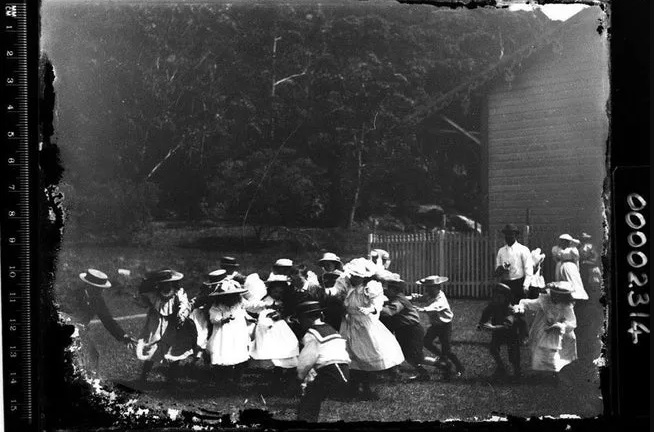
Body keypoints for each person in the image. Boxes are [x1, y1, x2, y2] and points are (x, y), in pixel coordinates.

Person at [339, 258, 405, 400]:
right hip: (349, 324)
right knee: (351, 357)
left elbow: (377, 303)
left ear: (364, 277)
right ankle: (353, 388)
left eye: (358, 276)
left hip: (365, 326)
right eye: (353, 275)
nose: (354, 278)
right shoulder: (350, 288)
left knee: (366, 355)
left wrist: (370, 308)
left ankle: (367, 388)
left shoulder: (370, 287)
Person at [67, 269, 136, 374]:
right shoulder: (73, 295)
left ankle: (89, 382)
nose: (101, 291)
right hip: (65, 329)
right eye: (98, 289)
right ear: (89, 286)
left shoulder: (98, 300)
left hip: (81, 332)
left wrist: (124, 336)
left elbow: (108, 320)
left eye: (101, 289)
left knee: (92, 355)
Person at [135, 269, 196, 384]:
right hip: (156, 322)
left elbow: (184, 304)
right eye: (164, 282)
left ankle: (171, 379)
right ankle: (143, 376)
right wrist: (142, 289)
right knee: (152, 346)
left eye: (170, 282)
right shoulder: (155, 294)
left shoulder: (178, 292)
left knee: (173, 348)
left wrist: (181, 314)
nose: (167, 284)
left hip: (172, 324)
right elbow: (143, 302)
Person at [295, 301, 351, 423]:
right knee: (312, 394)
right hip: (344, 371)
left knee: (309, 399)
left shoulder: (311, 334)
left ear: (306, 319)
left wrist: (300, 376)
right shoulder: (332, 330)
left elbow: (307, 360)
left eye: (301, 320)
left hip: (331, 371)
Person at [513, 282, 578, 383]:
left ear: (565, 297)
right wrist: (521, 306)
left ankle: (555, 373)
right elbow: (529, 303)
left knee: (554, 352)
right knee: (540, 350)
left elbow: (572, 321)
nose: (555, 297)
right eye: (553, 294)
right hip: (544, 328)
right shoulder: (545, 300)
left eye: (558, 295)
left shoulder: (566, 306)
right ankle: (541, 371)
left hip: (558, 332)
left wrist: (562, 325)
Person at [248, 274, 300, 393]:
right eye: (275, 291)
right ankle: (275, 380)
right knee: (273, 353)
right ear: (270, 290)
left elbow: (288, 313)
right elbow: (257, 311)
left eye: (280, 292)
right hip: (268, 329)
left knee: (287, 349)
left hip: (281, 329)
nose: (277, 294)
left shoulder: (284, 302)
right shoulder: (266, 301)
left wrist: (282, 314)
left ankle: (286, 377)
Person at [414, 275, 465, 380]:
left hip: (445, 326)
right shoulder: (430, 295)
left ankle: (459, 368)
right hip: (435, 325)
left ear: (438, 287)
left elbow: (435, 307)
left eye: (430, 288)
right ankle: (442, 357)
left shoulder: (441, 298)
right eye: (426, 287)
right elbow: (421, 298)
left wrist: (422, 309)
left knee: (447, 350)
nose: (427, 290)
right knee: (426, 342)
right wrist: (410, 298)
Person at [380, 279, 431, 381]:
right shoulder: (397, 297)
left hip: (411, 330)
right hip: (405, 329)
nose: (385, 291)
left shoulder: (398, 300)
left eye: (388, 289)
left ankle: (442, 364)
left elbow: (389, 312)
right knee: (407, 355)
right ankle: (423, 373)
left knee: (415, 356)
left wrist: (375, 307)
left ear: (394, 290)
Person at [205, 278, 251, 391]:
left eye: (233, 295)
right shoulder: (217, 306)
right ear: (222, 297)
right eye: (227, 296)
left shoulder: (239, 303)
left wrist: (263, 306)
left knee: (239, 354)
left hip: (238, 332)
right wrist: (222, 319)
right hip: (223, 333)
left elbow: (249, 308)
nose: (231, 299)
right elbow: (213, 318)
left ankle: (237, 379)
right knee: (223, 353)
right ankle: (222, 379)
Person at [477, 283, 521, 380]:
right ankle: (501, 367)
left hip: (511, 334)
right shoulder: (493, 306)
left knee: (513, 355)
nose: (496, 299)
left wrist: (492, 328)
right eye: (495, 296)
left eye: (499, 297)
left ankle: (517, 372)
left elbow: (508, 326)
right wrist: (481, 324)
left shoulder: (510, 309)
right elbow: (485, 315)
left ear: (506, 298)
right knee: (493, 348)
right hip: (498, 332)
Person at [494, 224, 533, 303]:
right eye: (506, 234)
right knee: (503, 308)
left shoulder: (523, 250)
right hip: (505, 283)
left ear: (516, 235)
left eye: (511, 234)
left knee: (517, 309)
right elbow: (497, 269)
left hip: (518, 284)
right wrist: (501, 269)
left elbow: (528, 269)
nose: (508, 236)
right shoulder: (501, 251)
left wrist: (526, 285)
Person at [551, 234, 588, 301]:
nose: (562, 242)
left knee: (571, 279)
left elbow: (576, 260)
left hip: (570, 266)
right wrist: (559, 263)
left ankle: (575, 295)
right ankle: (563, 296)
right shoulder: (557, 249)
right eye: (561, 241)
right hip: (560, 265)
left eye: (564, 241)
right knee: (560, 280)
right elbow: (555, 259)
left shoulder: (572, 249)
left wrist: (577, 269)